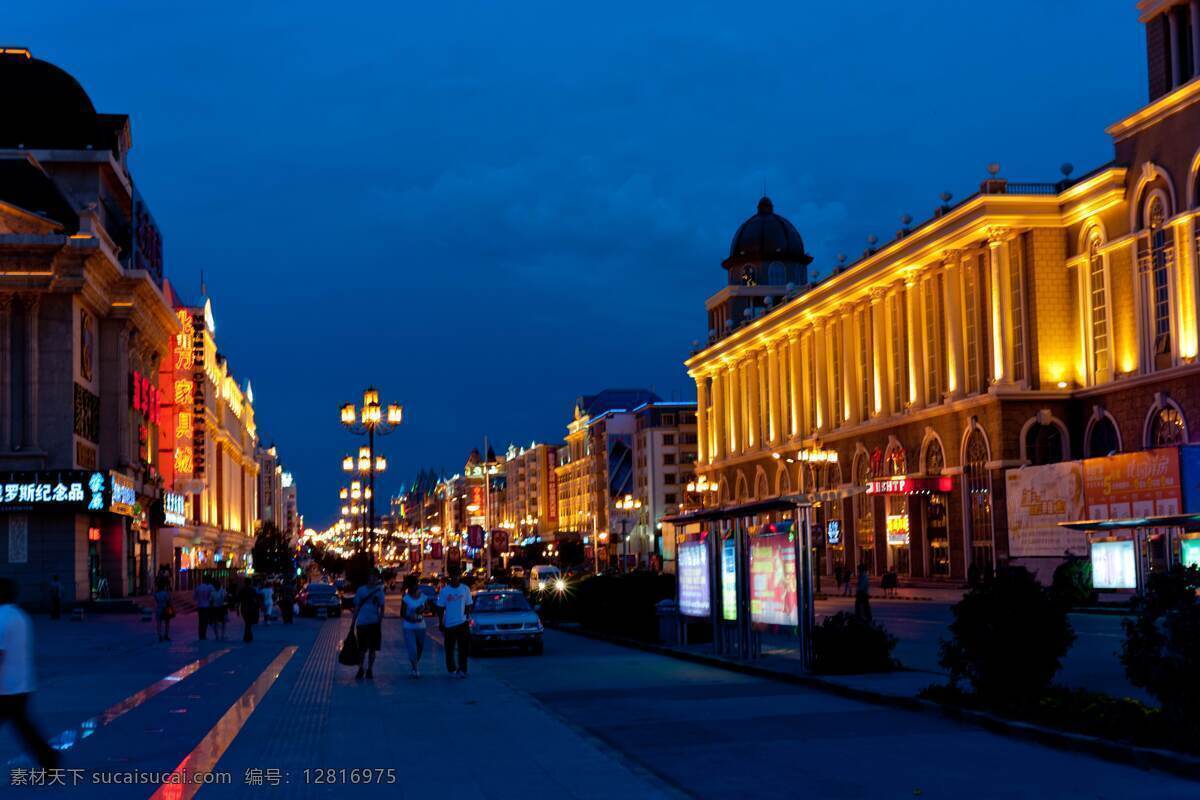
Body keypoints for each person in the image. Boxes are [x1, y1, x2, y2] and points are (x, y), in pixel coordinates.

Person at [0, 578, 57, 768]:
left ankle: (49, 758)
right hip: (22, 684)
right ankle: (49, 759)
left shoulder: (1, 618)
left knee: (24, 727)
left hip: (5, 687)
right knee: (24, 727)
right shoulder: (21, 616)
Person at [437, 567, 473, 678]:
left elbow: (468, 604)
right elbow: (440, 608)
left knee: (463, 648)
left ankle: (462, 669)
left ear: (460, 577)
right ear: (450, 578)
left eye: (457, 576)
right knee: (449, 649)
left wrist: (467, 616)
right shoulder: (445, 591)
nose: (455, 578)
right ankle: (452, 669)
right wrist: (440, 622)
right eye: (453, 576)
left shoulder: (465, 589)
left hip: (462, 623)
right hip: (449, 624)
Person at [353, 573, 385, 680]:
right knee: (362, 649)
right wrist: (353, 621)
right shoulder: (361, 590)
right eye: (371, 578)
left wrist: (380, 620)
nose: (373, 580)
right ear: (368, 579)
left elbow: (382, 607)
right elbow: (357, 606)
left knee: (372, 649)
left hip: (374, 623)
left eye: (375, 579)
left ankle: (370, 669)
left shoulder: (379, 592)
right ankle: (361, 668)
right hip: (362, 623)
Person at [401, 574, 428, 677]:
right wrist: (410, 617)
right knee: (412, 648)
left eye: (415, 585)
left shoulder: (423, 597)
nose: (414, 587)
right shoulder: (406, 598)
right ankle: (415, 668)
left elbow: (427, 609)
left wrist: (422, 610)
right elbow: (402, 613)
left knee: (420, 647)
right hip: (409, 626)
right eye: (411, 585)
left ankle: (415, 664)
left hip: (421, 625)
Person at [153, 578, 173, 642]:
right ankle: (166, 635)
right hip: (165, 609)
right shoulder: (165, 593)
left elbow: (156, 601)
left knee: (159, 623)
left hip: (158, 609)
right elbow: (169, 601)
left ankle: (160, 636)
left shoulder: (156, 594)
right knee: (167, 622)